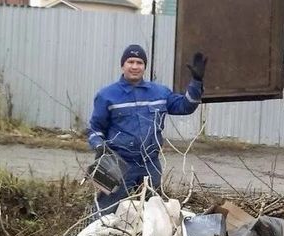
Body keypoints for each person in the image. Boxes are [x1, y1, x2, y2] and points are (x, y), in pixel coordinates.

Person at [87, 44, 207, 214]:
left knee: (151, 213)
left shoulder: (160, 93)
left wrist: (196, 82)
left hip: (150, 163)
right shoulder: (107, 95)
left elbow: (186, 106)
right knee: (105, 212)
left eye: (139, 62)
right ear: (123, 65)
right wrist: (98, 145)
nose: (135, 66)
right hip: (117, 162)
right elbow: (94, 129)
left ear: (144, 67)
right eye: (130, 62)